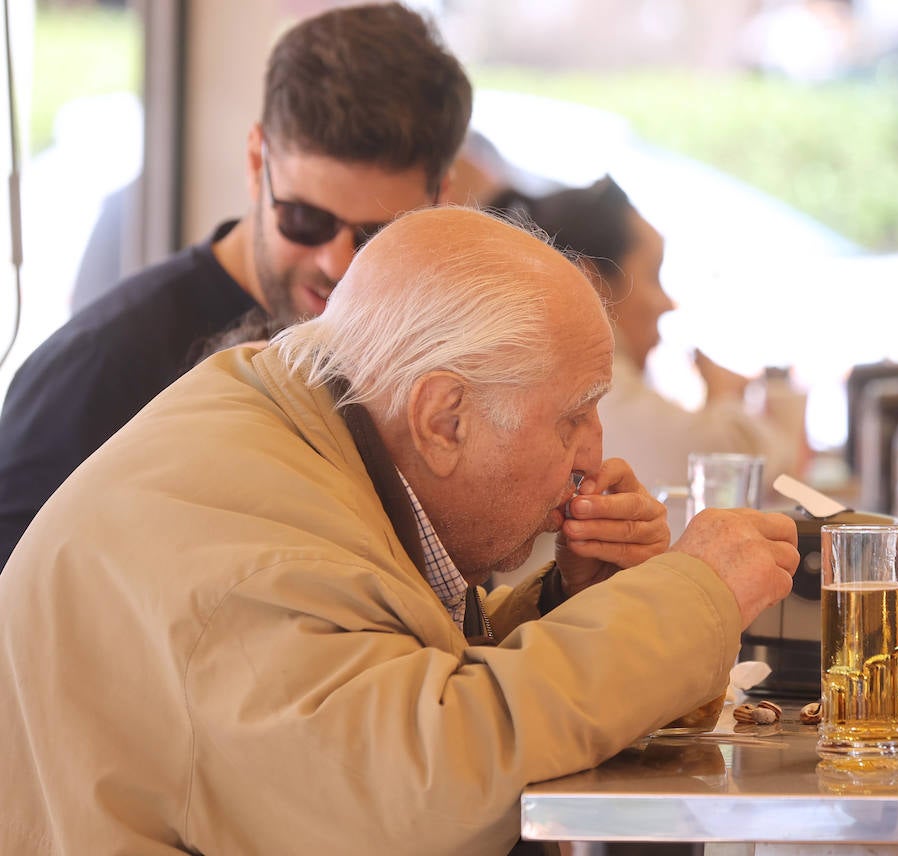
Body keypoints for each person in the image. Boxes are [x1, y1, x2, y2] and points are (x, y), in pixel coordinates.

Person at [0, 206, 800, 853]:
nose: (594, 454)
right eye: (573, 417)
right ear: (443, 417)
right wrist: (692, 598)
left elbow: (381, 681)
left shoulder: (310, 418)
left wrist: (567, 597)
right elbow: (425, 797)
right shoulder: (252, 556)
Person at [0, 3, 472, 566]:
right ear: (256, 163)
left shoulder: (428, 362)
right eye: (305, 219)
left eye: (378, 234)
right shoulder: (102, 367)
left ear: (440, 198)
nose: (336, 263)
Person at [492, 176, 806, 495]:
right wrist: (725, 396)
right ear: (590, 283)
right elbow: (751, 465)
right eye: (653, 276)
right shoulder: (595, 390)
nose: (668, 304)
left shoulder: (537, 374)